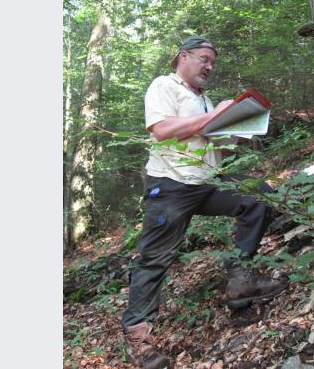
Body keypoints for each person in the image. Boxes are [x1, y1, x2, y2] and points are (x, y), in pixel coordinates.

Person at [121, 36, 288, 369]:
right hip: (170, 185)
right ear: (184, 56)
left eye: (213, 62)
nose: (209, 66)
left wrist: (236, 129)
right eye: (204, 59)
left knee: (259, 196)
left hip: (207, 182)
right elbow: (163, 130)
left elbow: (217, 145)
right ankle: (137, 339)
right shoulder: (164, 86)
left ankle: (241, 281)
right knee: (154, 259)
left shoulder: (205, 100)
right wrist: (215, 117)